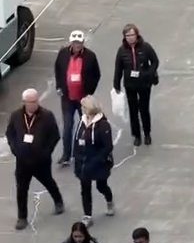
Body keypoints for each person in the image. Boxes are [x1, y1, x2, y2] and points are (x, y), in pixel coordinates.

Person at [5, 88, 64, 230]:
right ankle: (22, 217)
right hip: (22, 161)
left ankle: (58, 201)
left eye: (35, 101)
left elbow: (54, 136)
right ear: (24, 102)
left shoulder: (47, 116)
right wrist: (15, 149)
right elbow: (10, 134)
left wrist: (46, 152)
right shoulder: (16, 116)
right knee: (21, 189)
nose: (33, 104)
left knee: (48, 181)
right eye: (30, 102)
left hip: (41, 161)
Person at [55, 30, 101, 167]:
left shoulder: (90, 56)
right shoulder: (63, 54)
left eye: (79, 43)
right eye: (75, 43)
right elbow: (58, 69)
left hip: (83, 100)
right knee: (68, 126)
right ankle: (66, 155)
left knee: (85, 127)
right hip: (67, 98)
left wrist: (89, 92)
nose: (77, 45)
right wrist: (59, 86)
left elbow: (97, 75)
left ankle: (85, 152)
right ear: (71, 42)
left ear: (83, 43)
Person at [112, 25, 159, 148]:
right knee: (133, 111)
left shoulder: (146, 47)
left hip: (144, 84)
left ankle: (147, 133)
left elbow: (155, 61)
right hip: (130, 84)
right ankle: (137, 135)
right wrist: (116, 84)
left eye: (132, 35)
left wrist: (148, 73)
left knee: (144, 109)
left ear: (137, 35)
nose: (130, 38)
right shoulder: (121, 51)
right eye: (127, 36)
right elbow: (118, 68)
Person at [74, 96, 114, 227]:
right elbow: (77, 140)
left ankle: (109, 200)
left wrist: (98, 160)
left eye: (83, 107)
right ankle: (87, 215)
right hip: (83, 162)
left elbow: (107, 146)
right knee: (85, 188)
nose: (82, 109)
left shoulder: (103, 125)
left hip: (98, 162)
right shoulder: (82, 121)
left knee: (101, 186)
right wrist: (76, 157)